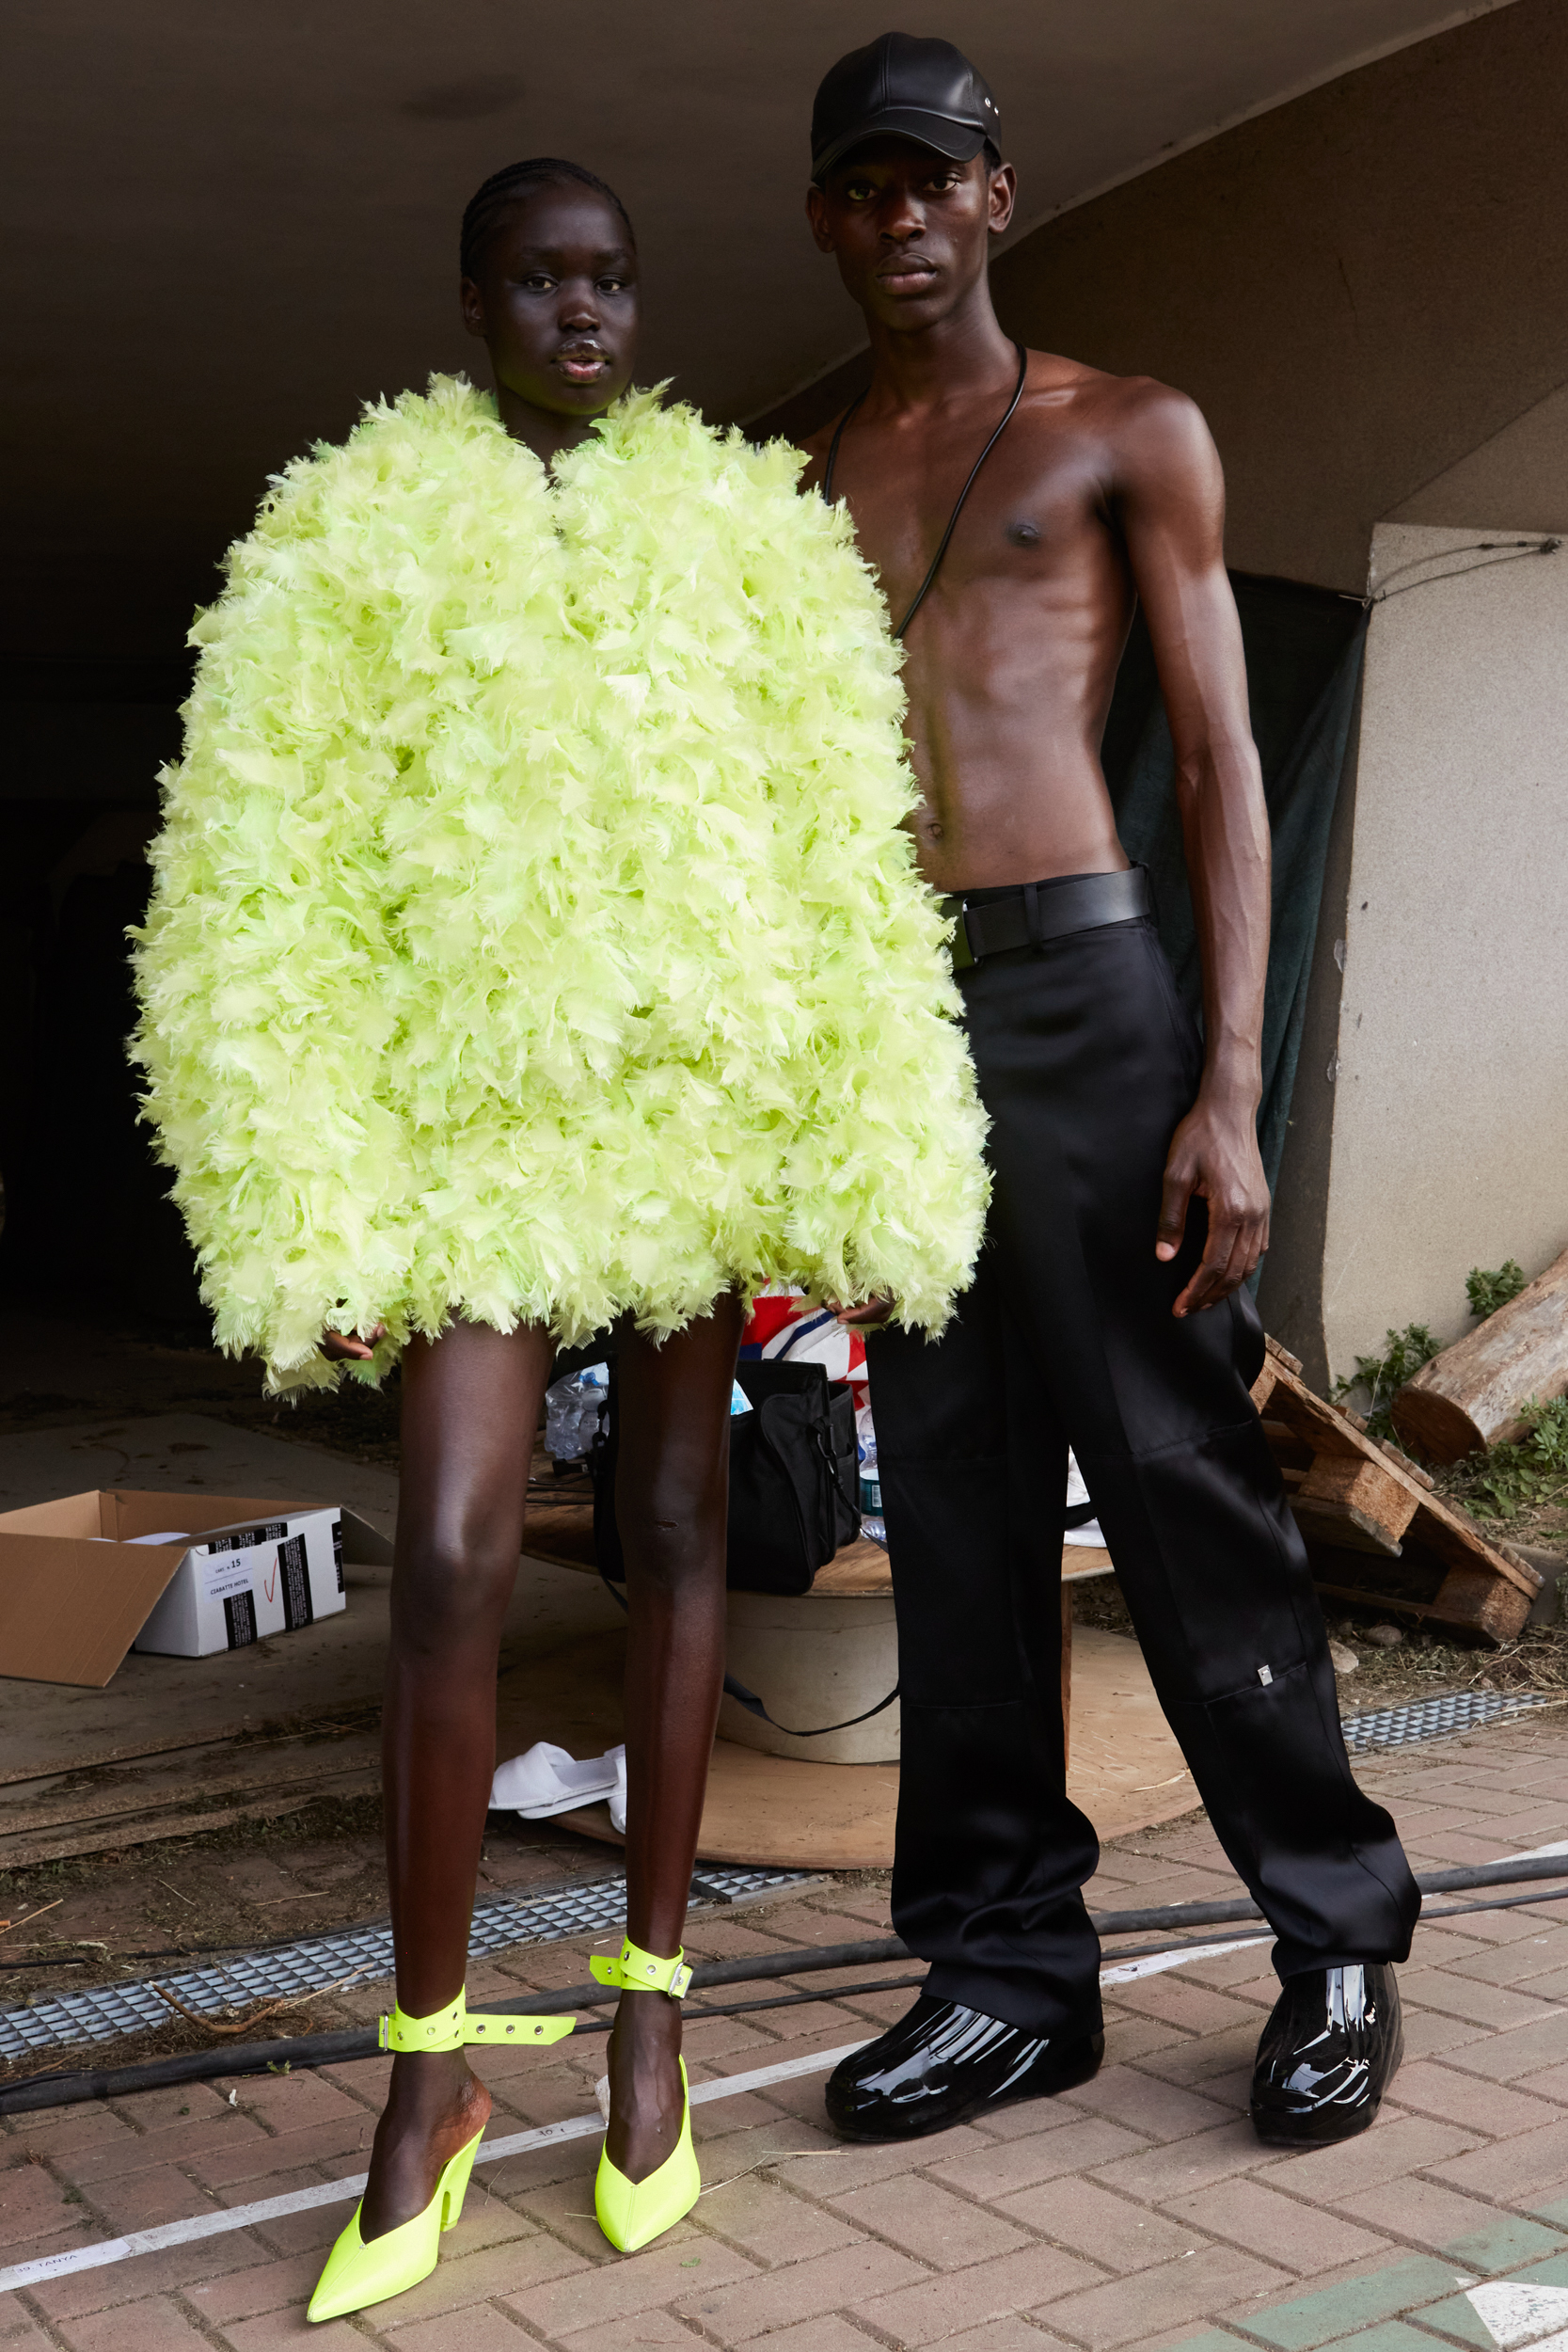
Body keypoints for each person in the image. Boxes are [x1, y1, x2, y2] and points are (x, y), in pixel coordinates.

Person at [131, 156, 987, 2318]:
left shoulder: (748, 527)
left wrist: (882, 1148)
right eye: (542, 278)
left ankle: (652, 2011)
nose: (583, 311)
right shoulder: (347, 528)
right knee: (445, 1549)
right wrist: (298, 1185)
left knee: (683, 1533)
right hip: (469, 1134)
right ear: (474, 299)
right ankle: (427, 2073)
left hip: (692, 1109)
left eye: (610, 279)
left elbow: (842, 852)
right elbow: (259, 877)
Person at [797, 34, 1419, 2151]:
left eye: (933, 178)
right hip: (901, 1018)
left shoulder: (1125, 427)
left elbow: (1229, 764)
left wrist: (1233, 1085)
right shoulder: (803, 478)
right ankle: (1002, 1971)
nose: (900, 215)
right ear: (826, 217)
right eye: (861, 186)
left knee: (1181, 1486)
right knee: (953, 1505)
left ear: (995, 194)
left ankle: (1334, 1935)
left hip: (1086, 985)